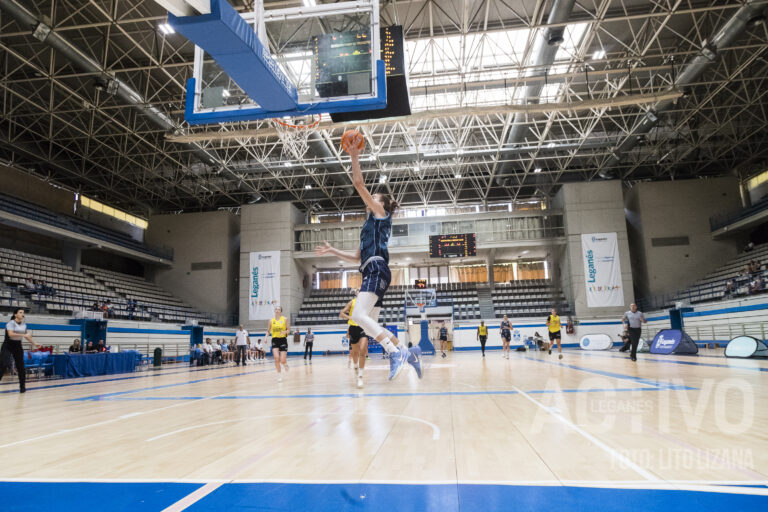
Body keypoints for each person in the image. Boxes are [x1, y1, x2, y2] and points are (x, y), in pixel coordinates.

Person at [315, 130, 420, 380]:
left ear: (381, 204)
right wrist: (332, 250)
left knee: (357, 315)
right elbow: (356, 257)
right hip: (373, 270)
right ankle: (409, 353)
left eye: (375, 197)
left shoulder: (381, 215)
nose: (371, 198)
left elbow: (358, 184)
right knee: (368, 325)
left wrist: (354, 156)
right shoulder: (368, 226)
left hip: (376, 269)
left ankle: (395, 353)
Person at [0, 308, 40, 393]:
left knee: (21, 366)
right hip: (8, 345)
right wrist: (24, 335)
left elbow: (27, 336)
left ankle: (22, 387)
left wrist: (34, 343)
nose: (22, 314)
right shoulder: (11, 323)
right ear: (15, 314)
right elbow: (11, 334)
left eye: (23, 313)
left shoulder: (24, 325)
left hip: (17, 345)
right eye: (20, 312)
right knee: (4, 364)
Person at [340, 297, 368, 388]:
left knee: (362, 350)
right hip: (353, 329)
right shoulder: (352, 302)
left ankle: (360, 377)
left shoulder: (367, 301)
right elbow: (341, 313)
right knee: (355, 353)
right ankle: (355, 366)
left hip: (363, 327)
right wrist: (350, 317)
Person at [268, 306, 290, 382]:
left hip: (283, 340)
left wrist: (284, 332)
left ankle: (285, 364)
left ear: (281, 311)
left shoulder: (285, 319)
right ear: (274, 311)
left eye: (279, 309)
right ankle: (279, 375)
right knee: (276, 358)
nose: (277, 310)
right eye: (276, 309)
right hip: (275, 340)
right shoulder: (271, 320)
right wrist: (266, 337)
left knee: (282, 360)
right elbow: (268, 331)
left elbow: (288, 330)